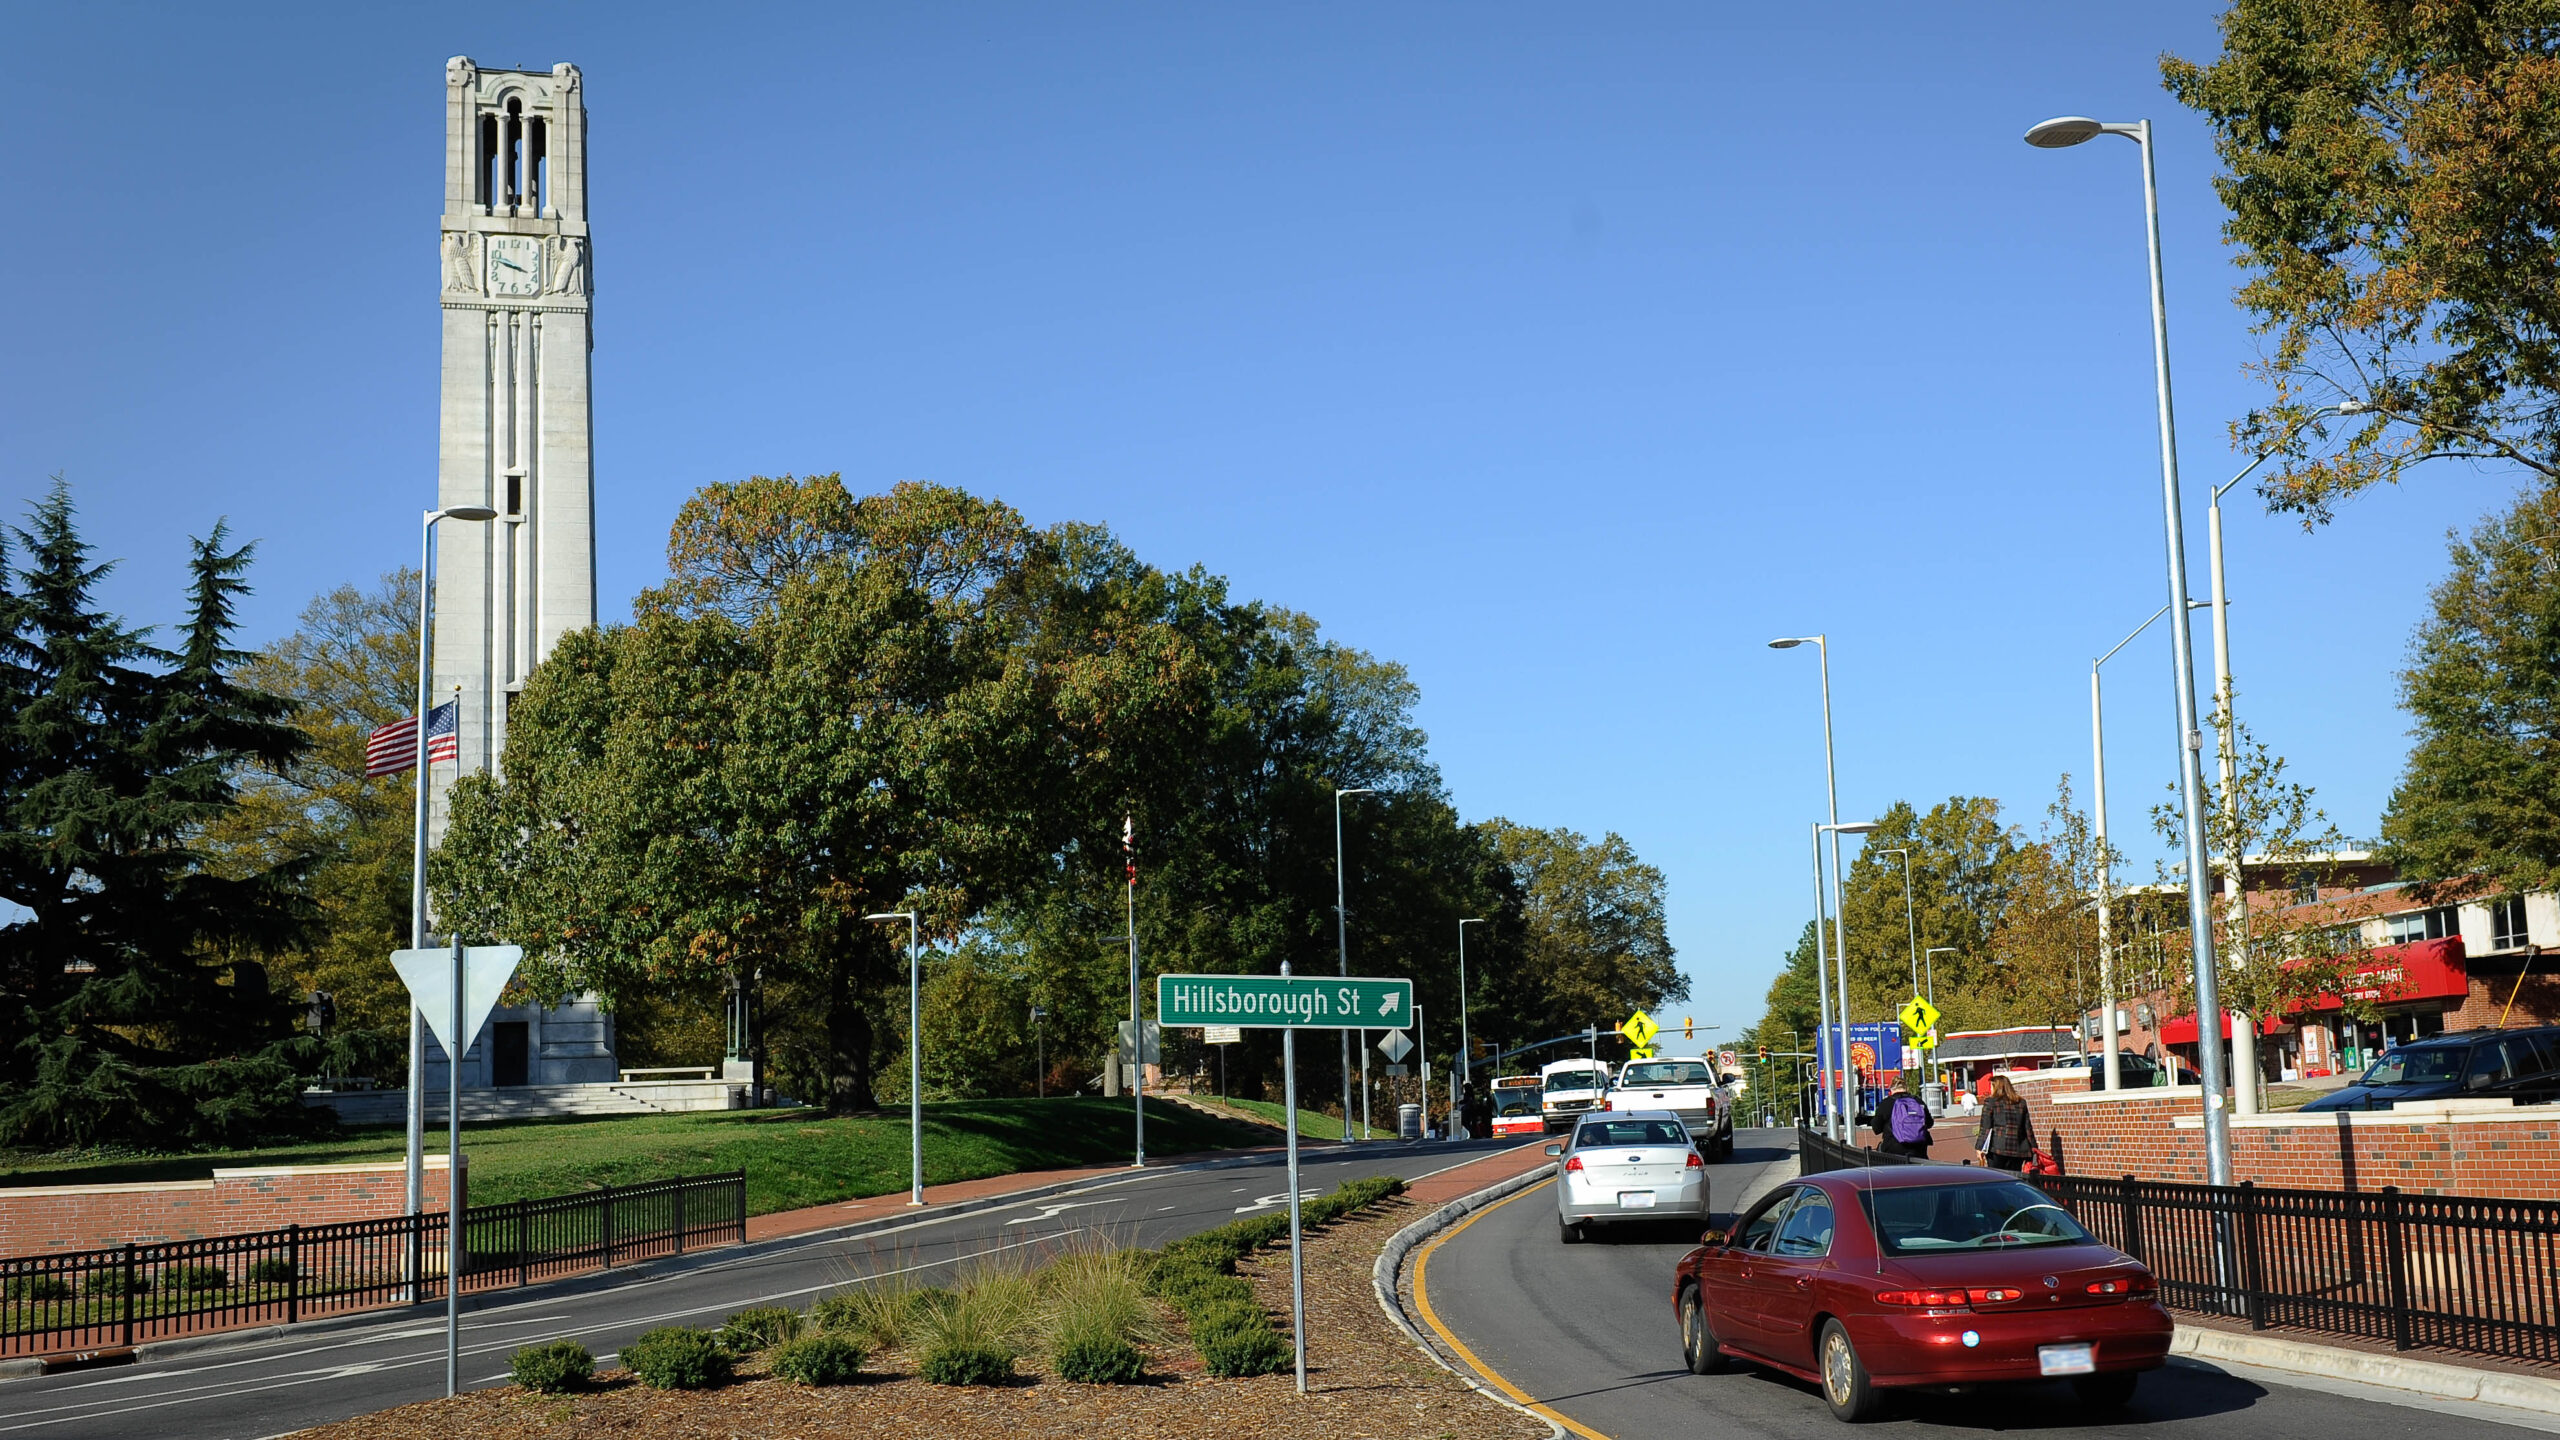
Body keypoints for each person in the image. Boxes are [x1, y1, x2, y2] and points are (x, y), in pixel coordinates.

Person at [1976, 1073, 2034, 1172]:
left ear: (1996, 1087)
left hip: (1997, 1148)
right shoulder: (2021, 1102)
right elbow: (2028, 1128)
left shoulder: (1991, 1102)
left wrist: (1979, 1147)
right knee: (2014, 1178)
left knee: (1997, 1177)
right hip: (2018, 1148)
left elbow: (1985, 1127)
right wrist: (2033, 1147)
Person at [1872, 1072, 1933, 1158]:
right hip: (1918, 1149)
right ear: (1906, 1088)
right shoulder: (1918, 1101)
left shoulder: (1887, 1103)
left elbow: (1876, 1128)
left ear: (1891, 1090)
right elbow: (1930, 1123)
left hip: (1893, 1150)